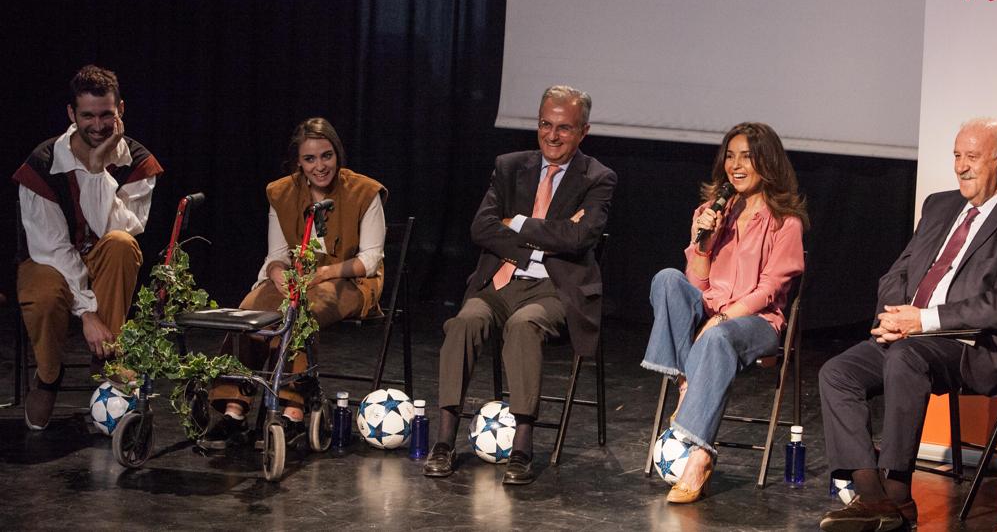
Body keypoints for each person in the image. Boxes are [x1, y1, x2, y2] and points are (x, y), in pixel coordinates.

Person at [817, 118, 997, 531]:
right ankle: (873, 496)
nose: (961, 166)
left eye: (973, 157)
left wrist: (921, 320)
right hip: (912, 335)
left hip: (977, 347)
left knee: (906, 357)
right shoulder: (939, 205)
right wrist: (891, 318)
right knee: (837, 373)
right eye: (957, 156)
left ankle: (896, 489)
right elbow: (899, 273)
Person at [424, 85, 616, 485]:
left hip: (555, 292)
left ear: (583, 131)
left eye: (564, 128)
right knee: (463, 322)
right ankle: (444, 440)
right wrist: (541, 243)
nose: (552, 135)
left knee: (523, 326)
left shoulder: (598, 178)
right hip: (500, 283)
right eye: (545, 124)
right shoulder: (510, 166)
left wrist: (520, 223)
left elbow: (581, 239)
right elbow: (482, 227)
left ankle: (522, 444)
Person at [642, 122, 806, 503]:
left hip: (757, 323)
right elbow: (695, 288)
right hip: (710, 317)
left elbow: (770, 291)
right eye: (730, 156)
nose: (736, 165)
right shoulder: (712, 212)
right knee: (667, 279)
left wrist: (722, 318)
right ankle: (688, 379)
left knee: (717, 335)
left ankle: (700, 456)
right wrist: (704, 246)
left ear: (767, 163)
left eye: (747, 157)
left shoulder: (787, 223)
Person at [198, 117, 386, 449]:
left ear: (337, 154)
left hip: (349, 279)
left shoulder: (364, 190)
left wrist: (323, 274)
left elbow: (370, 258)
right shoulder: (282, 192)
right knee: (248, 312)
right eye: (310, 159)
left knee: (297, 312)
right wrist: (276, 275)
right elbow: (277, 255)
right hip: (299, 276)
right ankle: (234, 410)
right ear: (298, 161)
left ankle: (293, 410)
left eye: (326, 156)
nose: (320, 166)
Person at [12, 65, 163, 430]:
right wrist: (88, 313)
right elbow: (53, 249)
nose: (98, 125)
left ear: (120, 110)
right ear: (71, 114)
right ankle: (48, 377)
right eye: (88, 115)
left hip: (103, 264)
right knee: (45, 292)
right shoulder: (43, 164)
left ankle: (108, 365)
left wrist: (97, 171)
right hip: (49, 264)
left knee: (121, 244)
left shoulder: (137, 162)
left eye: (106, 114)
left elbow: (117, 230)